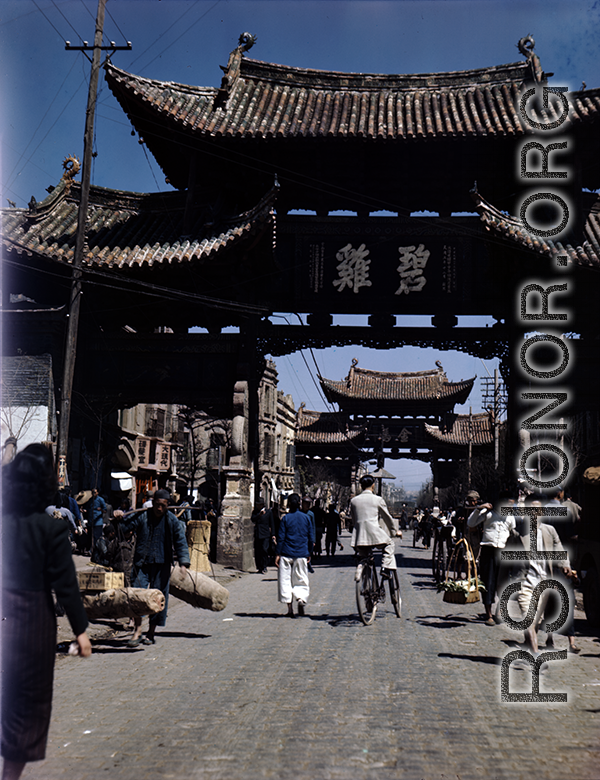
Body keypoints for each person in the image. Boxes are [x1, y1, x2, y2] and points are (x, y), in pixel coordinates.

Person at [1, 444, 91, 780]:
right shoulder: (52, 529)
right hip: (33, 622)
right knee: (28, 701)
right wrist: (80, 631)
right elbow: (66, 584)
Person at [121, 488, 190, 645]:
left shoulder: (171, 520)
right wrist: (120, 517)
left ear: (167, 505)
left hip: (162, 564)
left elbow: (180, 541)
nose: (159, 509)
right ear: (152, 503)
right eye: (157, 505)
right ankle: (137, 630)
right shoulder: (142, 516)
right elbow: (125, 528)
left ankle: (151, 632)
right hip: (141, 563)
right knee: (136, 595)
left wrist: (183, 563)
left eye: (163, 506)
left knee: (158, 599)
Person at [467, 493, 517, 625]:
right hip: (488, 551)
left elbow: (513, 532)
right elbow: (471, 522)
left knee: (503, 582)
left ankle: (500, 611)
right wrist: (479, 509)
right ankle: (488, 614)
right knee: (488, 581)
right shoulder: (487, 514)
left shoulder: (510, 517)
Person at [350, 475, 399, 575]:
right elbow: (387, 518)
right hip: (374, 534)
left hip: (359, 537)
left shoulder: (354, 501)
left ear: (361, 486)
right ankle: (385, 567)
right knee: (389, 544)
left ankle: (362, 569)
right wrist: (394, 531)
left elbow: (354, 520)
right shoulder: (377, 500)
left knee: (364, 557)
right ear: (373, 486)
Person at [276, 493, 314, 617]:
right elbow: (310, 537)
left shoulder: (285, 518)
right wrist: (309, 552)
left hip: (286, 553)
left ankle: (290, 609)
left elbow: (281, 538)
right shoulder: (306, 518)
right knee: (301, 578)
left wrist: (278, 553)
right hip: (301, 552)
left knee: (285, 580)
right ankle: (301, 598)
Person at [252, 500, 275, 574]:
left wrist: (273, 535)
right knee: (258, 551)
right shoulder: (255, 512)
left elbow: (272, 523)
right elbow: (252, 519)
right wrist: (259, 515)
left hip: (265, 534)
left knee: (264, 550)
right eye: (258, 505)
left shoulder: (268, 512)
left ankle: (264, 566)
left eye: (260, 505)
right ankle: (259, 567)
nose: (259, 506)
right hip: (258, 533)